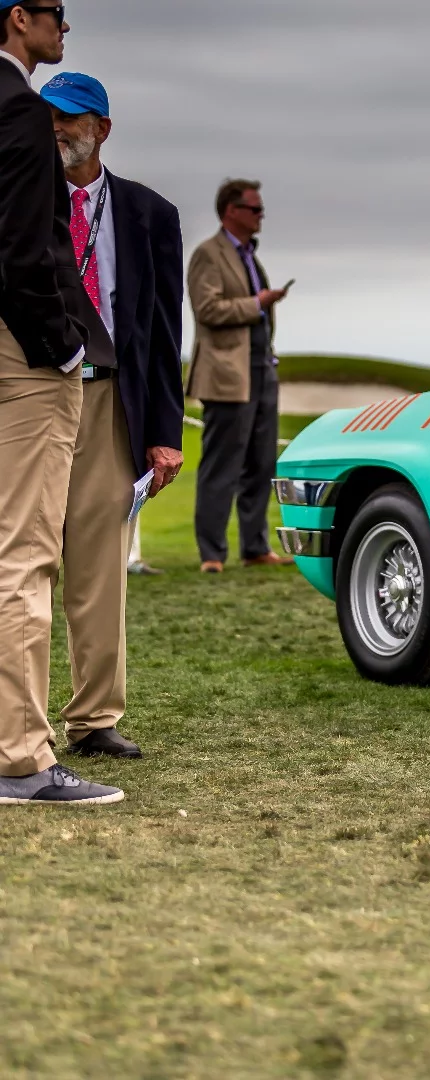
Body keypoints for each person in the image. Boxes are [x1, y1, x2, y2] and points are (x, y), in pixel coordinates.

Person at [0, 1, 124, 805]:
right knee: (27, 553)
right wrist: (64, 345)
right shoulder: (16, 109)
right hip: (25, 354)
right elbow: (22, 249)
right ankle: (20, 760)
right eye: (55, 12)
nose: (65, 26)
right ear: (19, 19)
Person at [43, 72, 184, 760]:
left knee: (99, 567)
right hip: (31, 397)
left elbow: (162, 334)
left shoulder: (150, 213)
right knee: (25, 562)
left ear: (101, 127)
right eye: (47, 116)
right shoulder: (17, 200)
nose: (56, 128)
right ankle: (16, 726)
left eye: (69, 117)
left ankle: (94, 719)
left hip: (107, 402)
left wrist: (163, 434)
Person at [188, 179, 292, 573]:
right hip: (228, 376)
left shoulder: (250, 255)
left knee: (261, 463)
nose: (261, 215)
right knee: (222, 465)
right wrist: (257, 303)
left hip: (262, 370)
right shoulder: (208, 254)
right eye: (254, 208)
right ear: (231, 210)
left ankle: (255, 547)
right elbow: (207, 309)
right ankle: (212, 554)